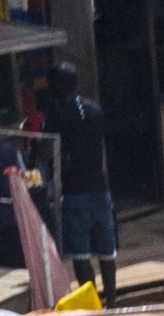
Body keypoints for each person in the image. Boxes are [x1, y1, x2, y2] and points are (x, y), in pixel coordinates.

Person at [36, 74, 116, 291]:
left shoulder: (56, 113)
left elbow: (46, 152)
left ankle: (92, 303)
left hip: (74, 193)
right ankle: (112, 301)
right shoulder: (94, 109)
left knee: (81, 255)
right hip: (100, 189)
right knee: (107, 252)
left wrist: (37, 141)